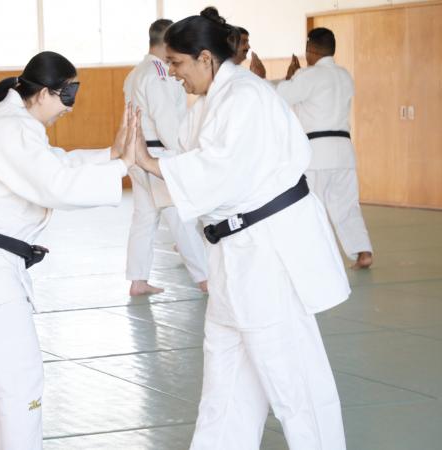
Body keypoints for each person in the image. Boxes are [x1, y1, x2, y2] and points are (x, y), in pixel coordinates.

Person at [134, 9, 350, 450]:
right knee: (225, 381)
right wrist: (149, 163)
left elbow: (219, 171)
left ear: (205, 58)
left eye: (177, 63)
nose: (172, 73)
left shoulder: (246, 98)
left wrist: (148, 162)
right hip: (234, 254)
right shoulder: (213, 102)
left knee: (293, 380)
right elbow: (197, 164)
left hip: (268, 252)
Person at [0, 51, 136, 450]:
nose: (69, 108)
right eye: (67, 96)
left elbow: (52, 165)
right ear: (45, 92)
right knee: (21, 379)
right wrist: (121, 167)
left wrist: (111, 155)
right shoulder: (10, 127)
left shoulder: (14, 124)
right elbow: (55, 185)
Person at [257, 28, 373, 269]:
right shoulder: (344, 75)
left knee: (308, 206)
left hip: (317, 154)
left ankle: (311, 257)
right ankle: (363, 252)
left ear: (310, 50)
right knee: (347, 206)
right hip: (344, 152)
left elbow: (279, 95)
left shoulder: (309, 75)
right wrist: (294, 77)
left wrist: (259, 79)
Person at [124, 18, 209, 295]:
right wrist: (184, 153)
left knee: (144, 217)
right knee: (179, 215)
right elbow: (165, 118)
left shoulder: (137, 72)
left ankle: (138, 280)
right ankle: (206, 278)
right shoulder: (158, 72)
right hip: (158, 152)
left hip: (138, 152)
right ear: (167, 42)